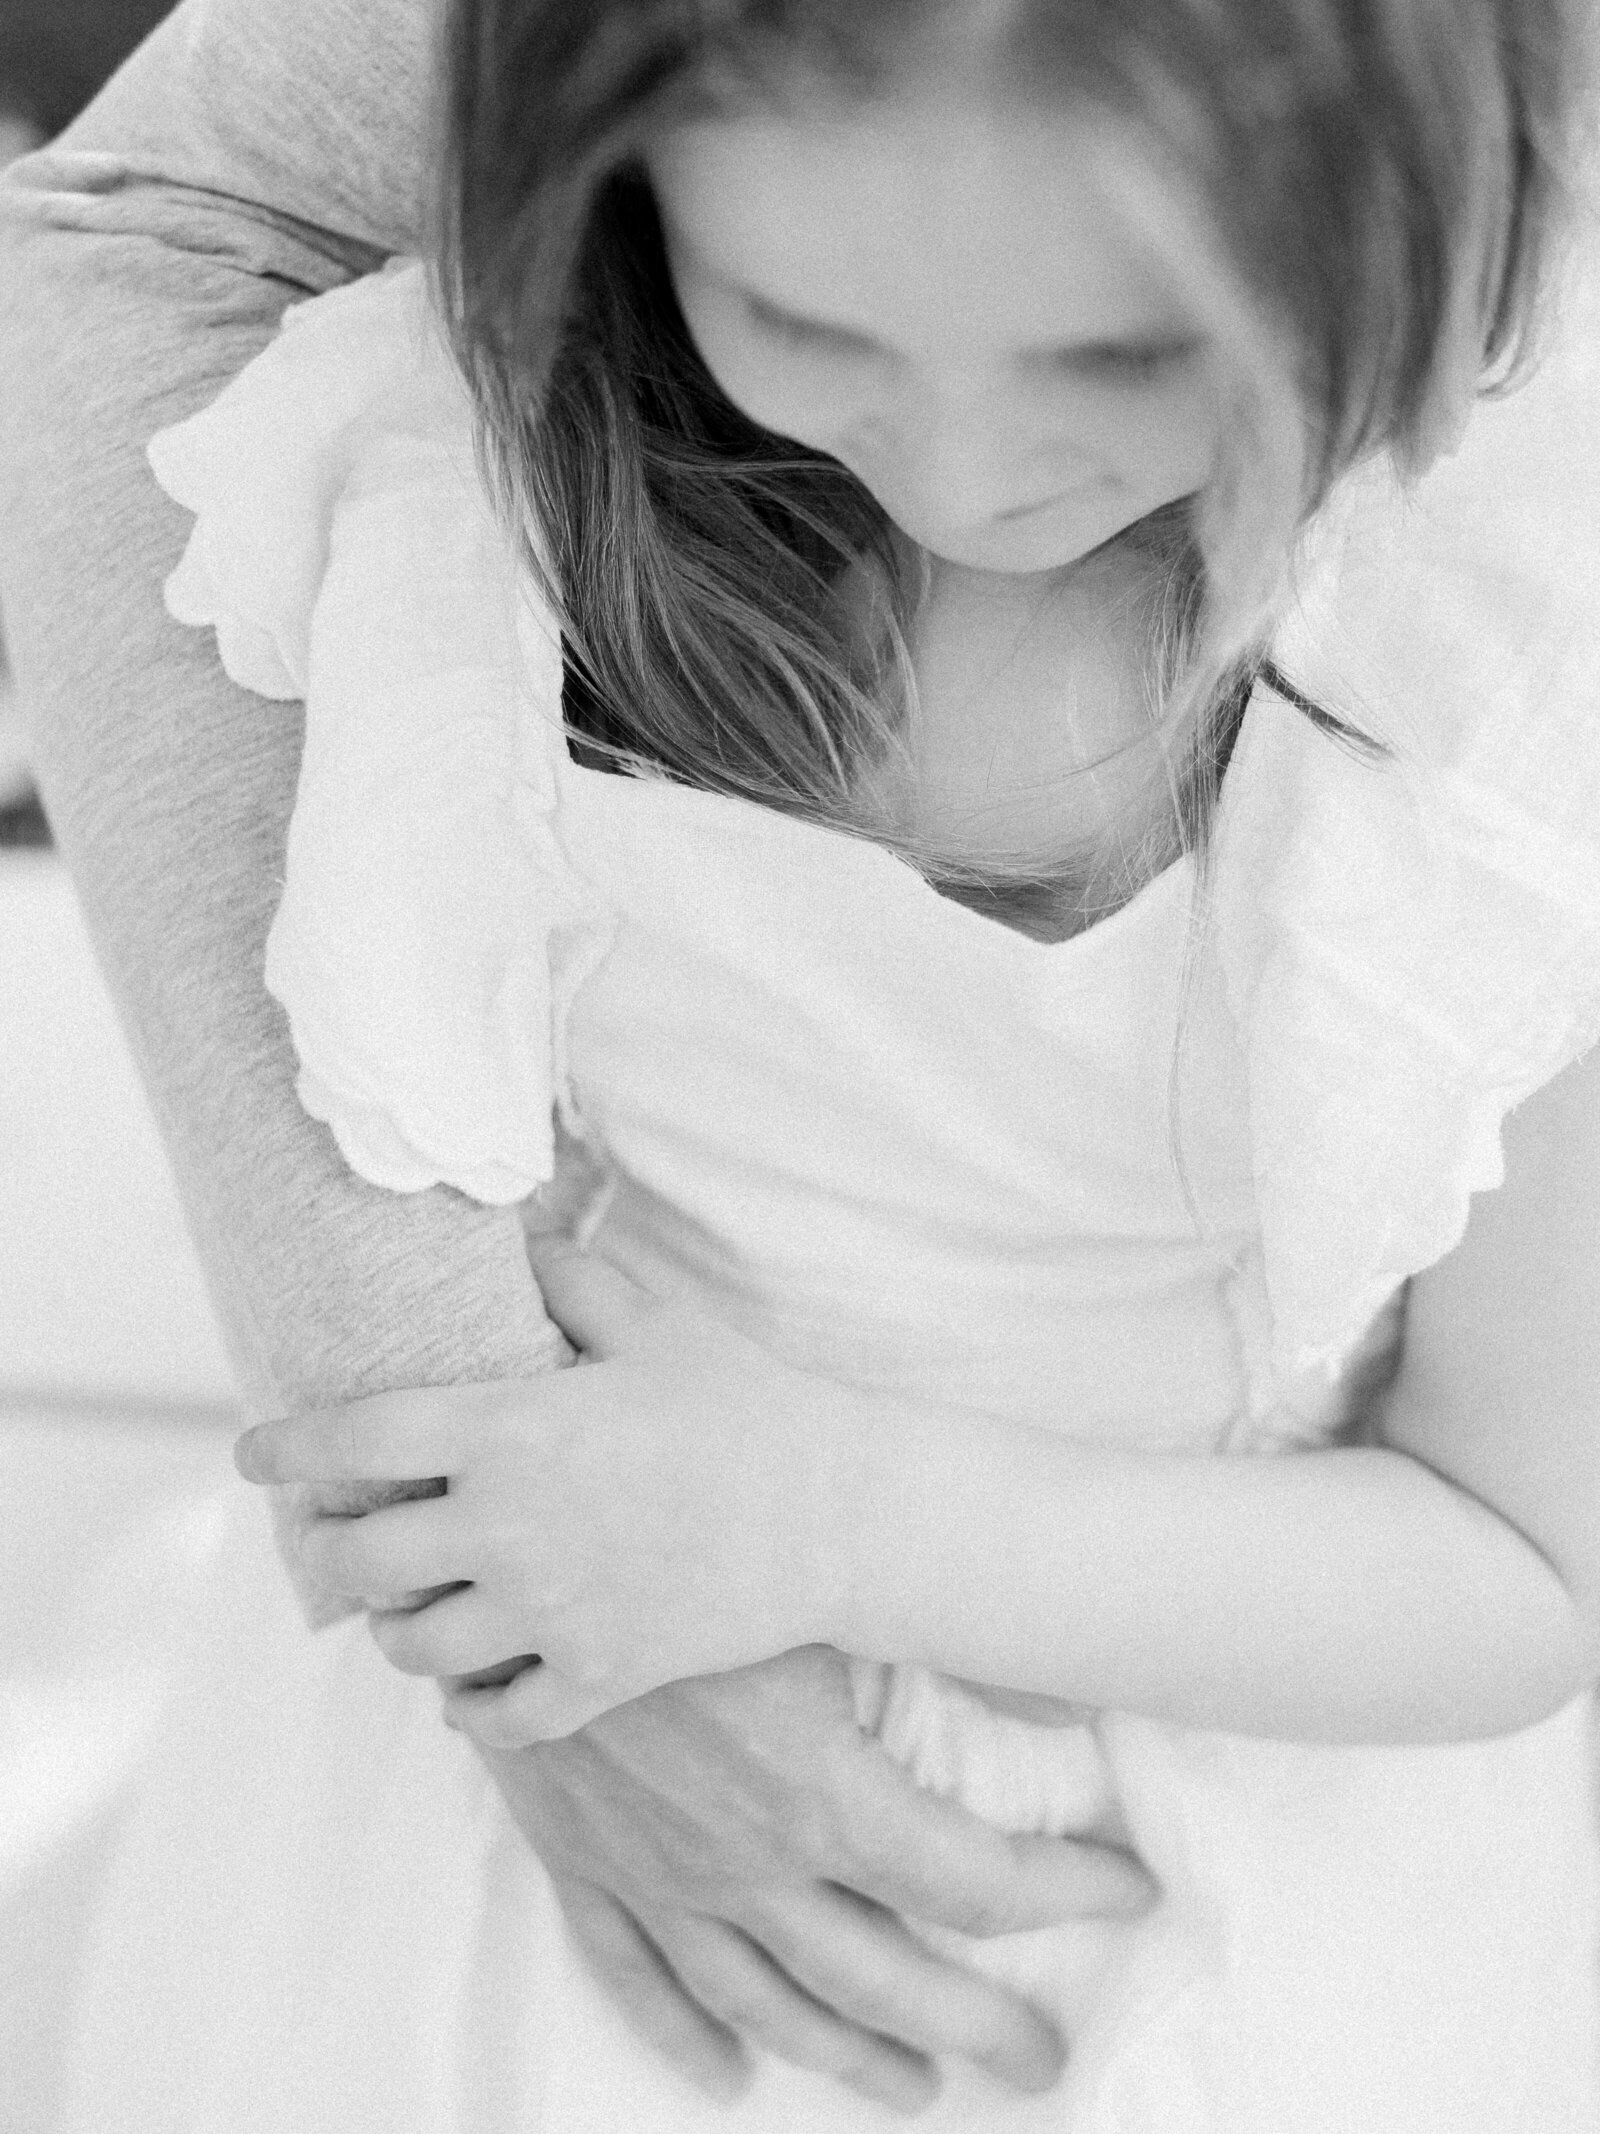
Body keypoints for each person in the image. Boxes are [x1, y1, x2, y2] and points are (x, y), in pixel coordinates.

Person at [4, 1, 1600, 2130]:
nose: (958, 470)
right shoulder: (461, 458)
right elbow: (136, 241)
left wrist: (821, 1519)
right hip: (478, 1820)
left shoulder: (1486, 680)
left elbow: (1518, 1568)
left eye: (1120, 354)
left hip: (1171, 1869)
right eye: (800, 318)